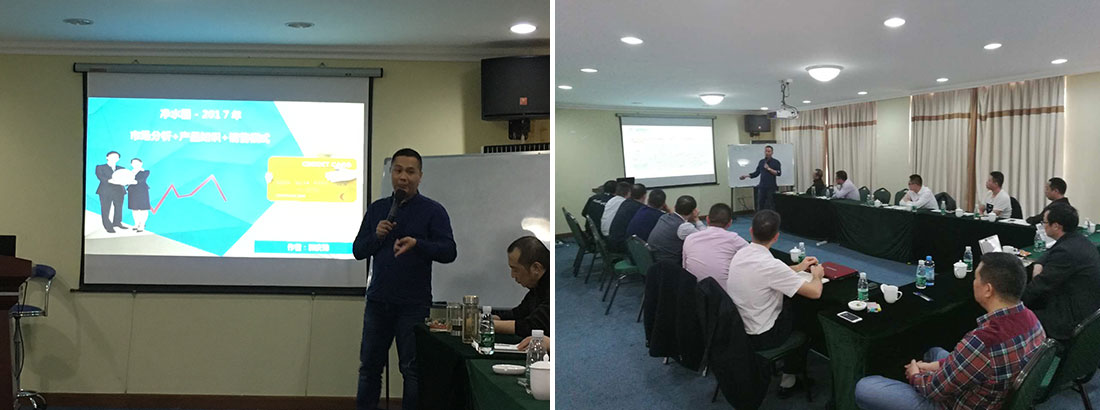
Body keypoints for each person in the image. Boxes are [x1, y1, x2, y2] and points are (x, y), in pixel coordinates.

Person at [855, 253, 1046, 410]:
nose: (973, 283)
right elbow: (971, 362)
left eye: (976, 278)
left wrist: (915, 374)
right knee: (935, 353)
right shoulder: (1033, 320)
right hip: (995, 393)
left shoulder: (982, 341)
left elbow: (933, 390)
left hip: (956, 404)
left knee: (865, 387)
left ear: (988, 290)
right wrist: (934, 366)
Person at [351, 148, 457, 410]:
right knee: (369, 368)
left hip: (413, 304)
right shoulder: (378, 209)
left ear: (420, 176)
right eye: (398, 170)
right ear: (391, 173)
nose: (403, 177)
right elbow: (358, 250)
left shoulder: (433, 211)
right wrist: (376, 236)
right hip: (378, 301)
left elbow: (449, 251)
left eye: (410, 172)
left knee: (412, 369)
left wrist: (418, 244)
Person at [727, 210, 824, 397]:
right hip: (763, 336)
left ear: (750, 231)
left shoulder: (741, 253)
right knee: (805, 317)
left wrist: (798, 268)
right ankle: (789, 379)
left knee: (791, 303)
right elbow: (815, 292)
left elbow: (771, 274)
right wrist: (817, 276)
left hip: (738, 328)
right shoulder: (771, 265)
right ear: (776, 237)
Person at [1022, 203, 1100, 340]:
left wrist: (1014, 306)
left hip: (1071, 318)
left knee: (1018, 318)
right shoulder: (1079, 240)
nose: (1043, 226)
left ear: (1056, 226)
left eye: (1045, 222)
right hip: (1088, 308)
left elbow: (1039, 287)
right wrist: (1039, 263)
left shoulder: (1066, 251)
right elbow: (1049, 253)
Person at [493, 236, 550, 337]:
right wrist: (492, 318)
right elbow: (519, 313)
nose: (512, 275)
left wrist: (484, 325)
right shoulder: (537, 287)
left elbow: (533, 326)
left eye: (515, 270)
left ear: (536, 268)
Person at [682, 203, 749, 289]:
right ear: (730, 223)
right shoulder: (734, 239)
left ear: (707, 219)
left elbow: (684, 267)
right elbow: (754, 255)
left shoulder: (690, 238)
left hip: (693, 291)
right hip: (723, 294)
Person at [647, 195, 707, 263]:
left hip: (654, 257)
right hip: (669, 263)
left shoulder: (664, 217)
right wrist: (696, 219)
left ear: (675, 207)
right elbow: (705, 236)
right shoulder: (684, 227)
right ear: (693, 212)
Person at [739, 145, 782, 211]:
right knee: (760, 205)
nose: (767, 153)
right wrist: (746, 176)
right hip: (762, 187)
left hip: (771, 187)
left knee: (771, 205)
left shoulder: (776, 162)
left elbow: (778, 173)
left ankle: (771, 217)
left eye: (769, 151)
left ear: (772, 152)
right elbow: (756, 173)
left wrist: (769, 169)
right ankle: (760, 216)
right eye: (766, 151)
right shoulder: (761, 162)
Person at [94, 151, 128, 233]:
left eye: (116, 157)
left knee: (119, 208)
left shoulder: (122, 168)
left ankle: (117, 222)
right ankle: (108, 226)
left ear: (118, 159)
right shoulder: (100, 167)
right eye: (112, 156)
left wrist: (126, 182)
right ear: (107, 157)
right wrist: (111, 180)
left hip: (119, 191)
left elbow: (126, 178)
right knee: (105, 209)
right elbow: (100, 177)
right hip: (105, 191)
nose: (114, 158)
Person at [608, 184, 647, 252]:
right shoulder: (640, 209)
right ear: (644, 196)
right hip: (622, 245)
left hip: (613, 241)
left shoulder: (625, 203)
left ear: (630, 194)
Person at [127, 158, 151, 232]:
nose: (136, 164)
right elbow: (125, 181)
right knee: (134, 209)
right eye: (134, 163)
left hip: (142, 192)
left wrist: (129, 181)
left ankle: (142, 225)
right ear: (131, 164)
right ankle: (136, 224)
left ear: (141, 163)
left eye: (137, 163)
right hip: (132, 192)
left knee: (143, 209)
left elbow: (140, 180)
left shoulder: (145, 172)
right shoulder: (129, 173)